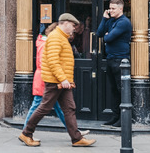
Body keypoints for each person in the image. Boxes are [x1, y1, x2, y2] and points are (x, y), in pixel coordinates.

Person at [19, 13, 95, 147]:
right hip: (56, 81)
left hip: (62, 82)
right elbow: (53, 61)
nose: (74, 29)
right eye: (72, 26)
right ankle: (26, 133)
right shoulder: (55, 38)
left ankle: (76, 138)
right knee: (44, 107)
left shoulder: (61, 37)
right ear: (65, 23)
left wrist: (65, 80)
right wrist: (63, 79)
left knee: (69, 108)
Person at [96, 0, 132, 127]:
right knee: (113, 90)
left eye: (113, 8)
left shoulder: (124, 22)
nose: (110, 11)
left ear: (120, 9)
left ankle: (124, 118)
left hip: (121, 60)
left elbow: (108, 38)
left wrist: (107, 35)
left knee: (121, 89)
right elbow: (100, 33)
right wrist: (104, 19)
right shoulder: (111, 20)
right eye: (109, 8)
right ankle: (115, 116)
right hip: (111, 58)